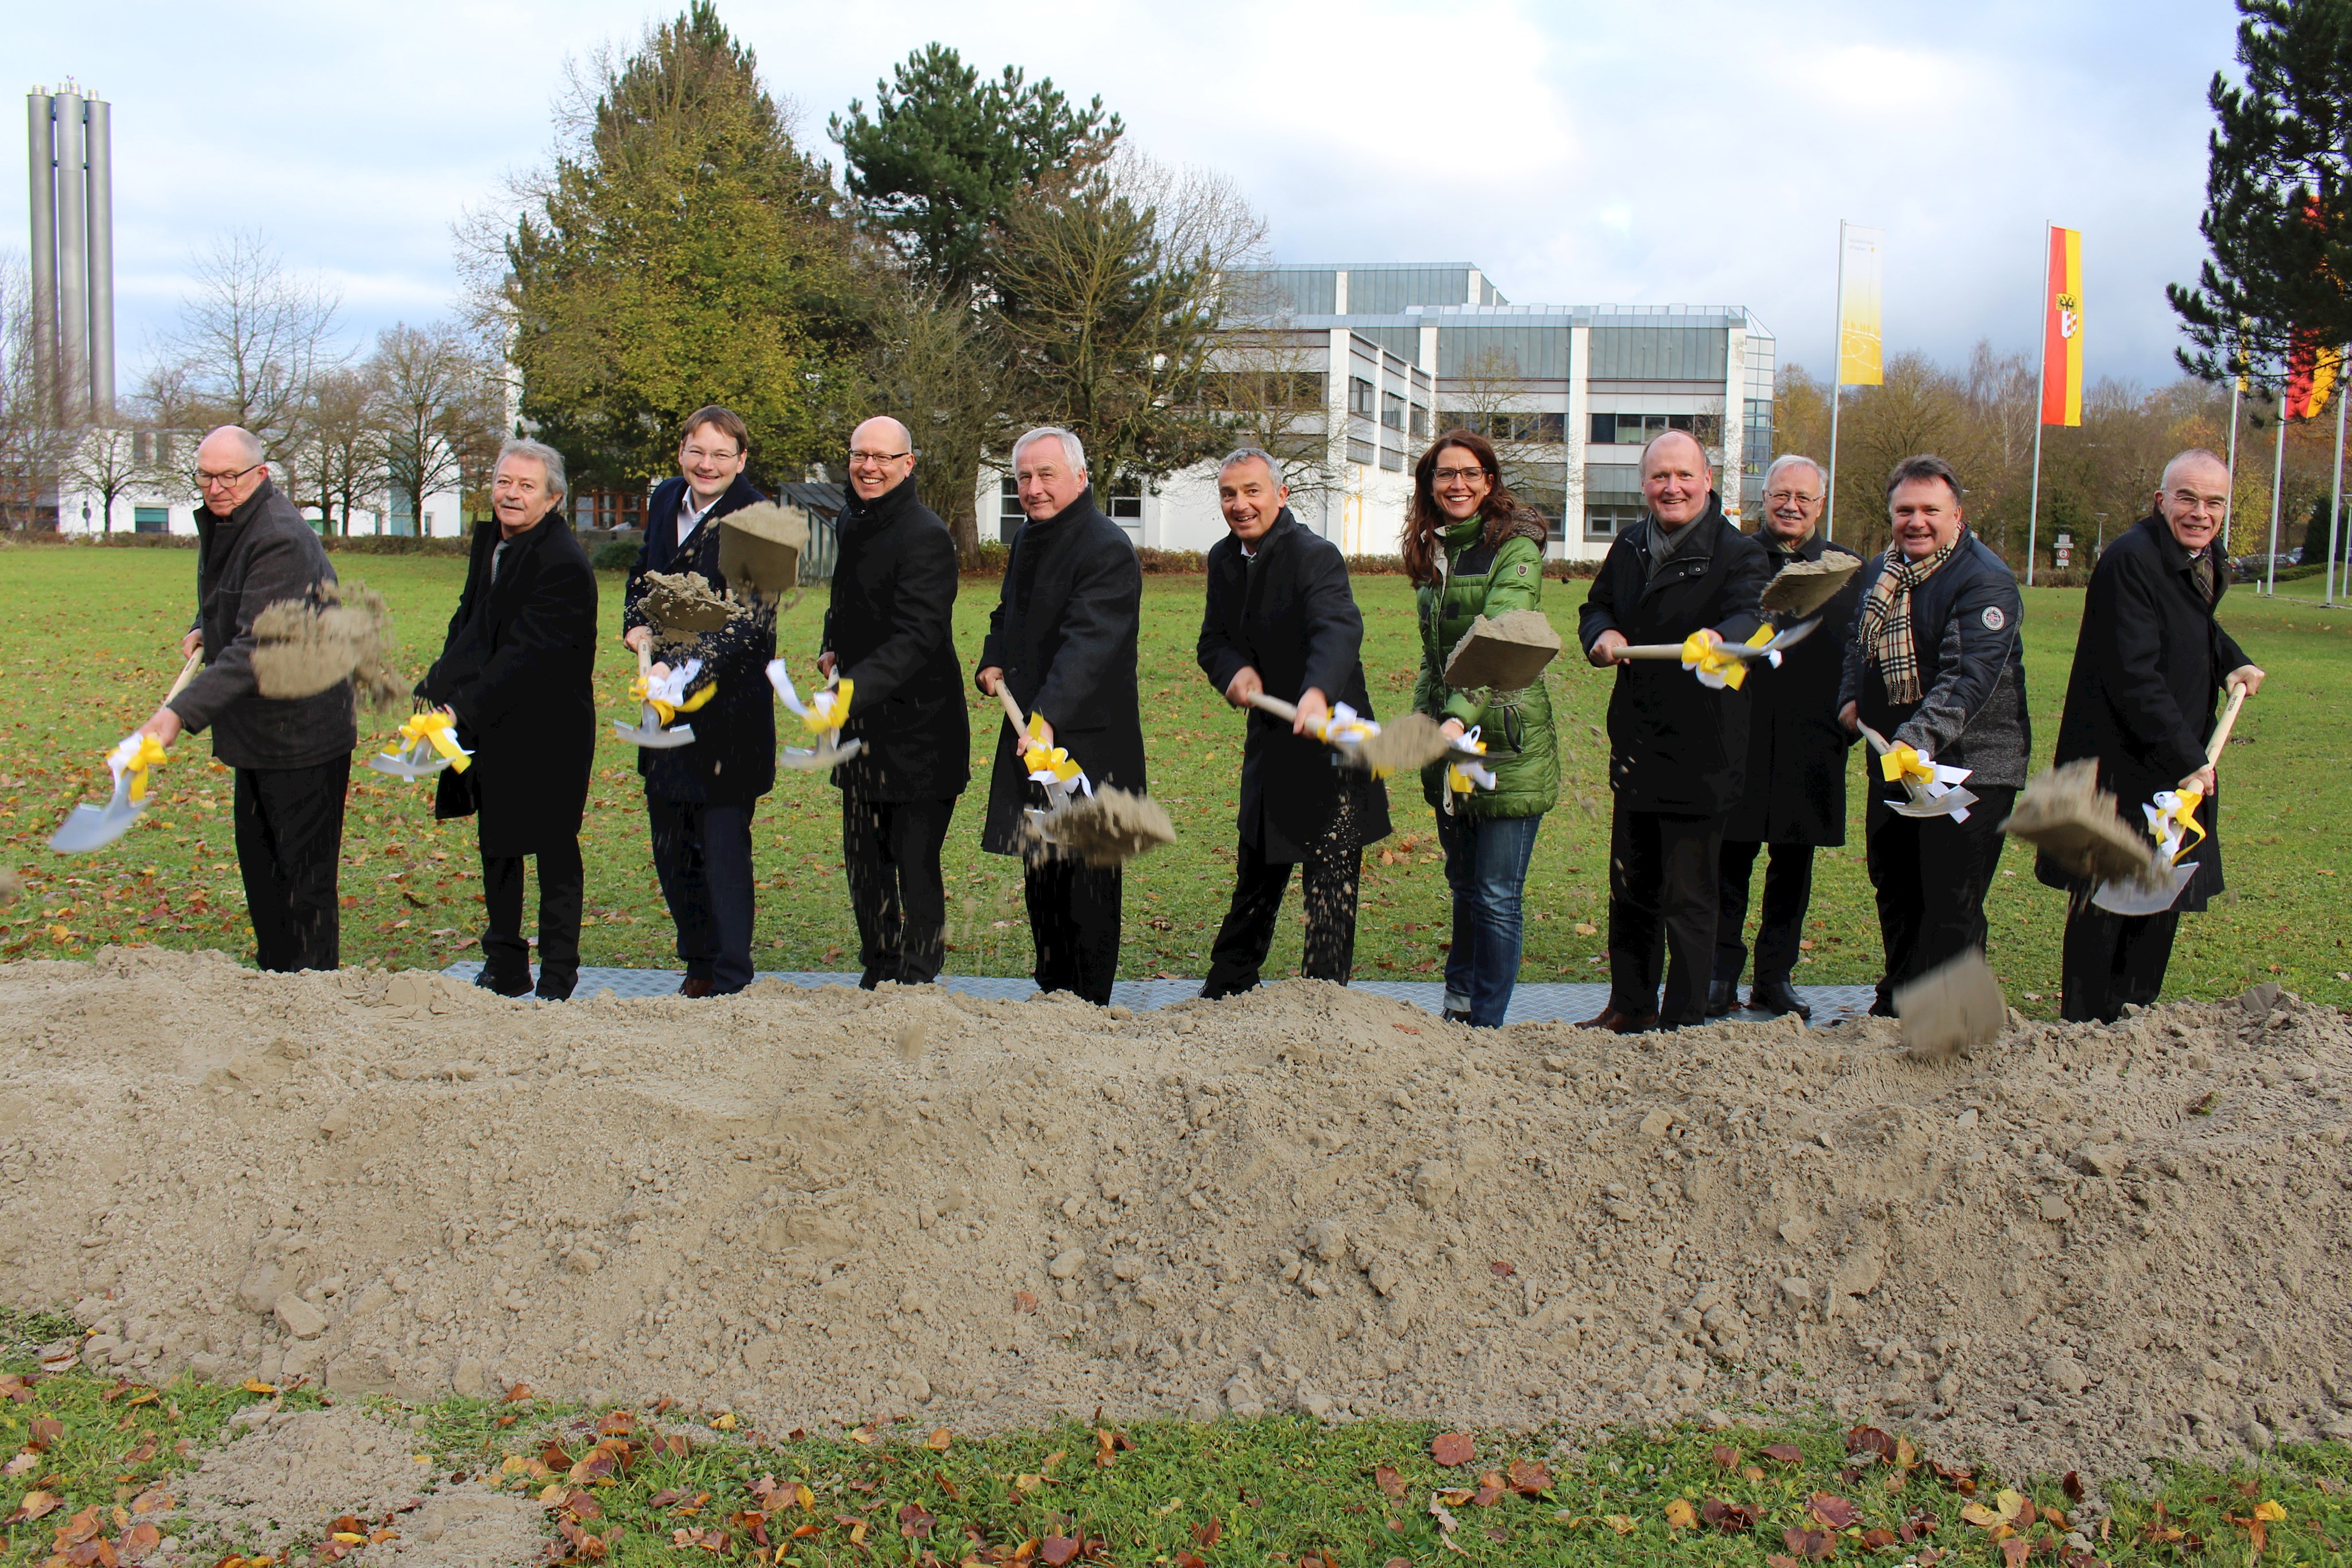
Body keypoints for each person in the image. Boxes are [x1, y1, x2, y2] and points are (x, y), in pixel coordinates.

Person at [2038, 448, 2265, 1021]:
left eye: (2214, 501)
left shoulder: (2202, 558)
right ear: (2161, 500)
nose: (2200, 512)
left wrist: (2230, 661)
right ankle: (2086, 1028)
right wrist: (2188, 758)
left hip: (2174, 764)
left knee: (2160, 895)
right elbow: (2132, 673)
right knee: (2109, 899)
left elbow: (2194, 627)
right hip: (2123, 764)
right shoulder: (2130, 561)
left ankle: (2135, 1023)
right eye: (2187, 498)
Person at [138, 425, 355, 973]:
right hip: (259, 732)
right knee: (263, 874)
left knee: (303, 885)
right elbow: (234, 592)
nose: (215, 487)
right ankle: (275, 984)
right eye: (206, 476)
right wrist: (202, 626)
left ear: (260, 474)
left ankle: (314, 996)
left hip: (303, 731)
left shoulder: (280, 535)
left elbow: (258, 645)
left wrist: (177, 713)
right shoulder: (230, 521)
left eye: (228, 476)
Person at [1577, 429, 1769, 1032]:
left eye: (1684, 475)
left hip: (1703, 748)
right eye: (1660, 477)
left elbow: (1753, 614)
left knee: (1688, 898)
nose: (1672, 487)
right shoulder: (1631, 544)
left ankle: (1682, 1023)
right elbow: (1596, 606)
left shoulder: (1738, 553)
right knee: (1630, 887)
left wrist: (1723, 638)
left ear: (1707, 481)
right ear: (1644, 484)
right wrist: (1601, 636)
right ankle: (1629, 1006)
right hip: (1636, 742)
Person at [1196, 448, 1391, 997]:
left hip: (1336, 745)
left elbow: (1339, 629)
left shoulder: (1315, 555)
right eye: (1229, 494)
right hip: (1273, 744)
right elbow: (1213, 641)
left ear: (1281, 494)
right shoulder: (1223, 559)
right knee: (1256, 878)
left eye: (1252, 491)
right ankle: (1225, 993)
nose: (1240, 504)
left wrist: (1316, 692)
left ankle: (1324, 1006)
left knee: (1330, 892)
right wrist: (1233, 672)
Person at [1838, 454, 2028, 1015]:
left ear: (1957, 515)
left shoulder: (1985, 581)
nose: (1916, 521)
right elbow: (1857, 644)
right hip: (1898, 762)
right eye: (1904, 510)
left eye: (1929, 510)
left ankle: (1951, 1020)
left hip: (1968, 765)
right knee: (1896, 886)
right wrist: (1848, 699)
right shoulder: (1880, 572)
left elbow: (1966, 678)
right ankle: (1900, 998)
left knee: (1951, 898)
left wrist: (1916, 738)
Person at [415, 439, 598, 1001]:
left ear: (553, 498)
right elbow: (470, 619)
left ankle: (559, 977)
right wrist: (440, 687)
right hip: (489, 721)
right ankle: (505, 964)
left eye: (525, 486)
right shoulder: (493, 543)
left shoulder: (561, 562)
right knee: (496, 843)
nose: (510, 494)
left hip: (548, 728)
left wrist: (460, 707)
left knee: (552, 847)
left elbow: (527, 655)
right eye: (503, 482)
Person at [975, 427, 1144, 1006]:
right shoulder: (1028, 538)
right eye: (1023, 477)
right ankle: (1052, 995)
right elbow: (1007, 613)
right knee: (1042, 868)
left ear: (1080, 476)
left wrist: (1047, 714)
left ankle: (1089, 1003)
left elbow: (1090, 645)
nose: (1033, 488)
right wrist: (992, 659)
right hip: (1034, 734)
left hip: (1089, 741)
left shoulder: (1105, 547)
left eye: (1046, 475)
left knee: (1089, 878)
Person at [1403, 429, 1558, 1028]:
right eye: (1445, 474)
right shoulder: (1434, 552)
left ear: (1489, 481)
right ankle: (1458, 1005)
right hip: (1453, 746)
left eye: (1470, 473)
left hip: (1505, 745)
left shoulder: (1515, 551)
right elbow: (1432, 658)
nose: (1457, 484)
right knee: (1465, 884)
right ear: (1430, 485)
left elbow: (1498, 643)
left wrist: (1452, 721)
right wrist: (1423, 725)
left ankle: (1486, 1027)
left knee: (1496, 895)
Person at [621, 406, 777, 997]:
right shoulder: (666, 500)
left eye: (720, 454)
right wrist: (635, 625)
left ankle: (733, 978)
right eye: (696, 451)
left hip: (727, 718)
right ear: (681, 453)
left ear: (740, 460)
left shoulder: (760, 520)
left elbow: (750, 626)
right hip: (661, 710)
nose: (705, 464)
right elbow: (644, 574)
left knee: (720, 852)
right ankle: (700, 964)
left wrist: (680, 665)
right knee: (671, 846)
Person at [818, 416, 970, 988]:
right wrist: (832, 646)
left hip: (920, 732)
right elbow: (845, 601)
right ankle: (877, 972)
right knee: (864, 865)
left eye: (883, 457)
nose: (869, 467)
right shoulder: (849, 521)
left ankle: (917, 980)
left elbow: (917, 636)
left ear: (908, 465)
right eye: (861, 455)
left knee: (914, 868)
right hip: (859, 728)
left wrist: (849, 691)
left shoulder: (925, 534)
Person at [1712, 455, 1862, 1020]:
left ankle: (1774, 979)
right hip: (1739, 738)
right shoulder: (1736, 560)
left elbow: (1861, 650)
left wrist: (1843, 722)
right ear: (1764, 498)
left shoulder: (1847, 569)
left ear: (1820, 504)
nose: (1790, 505)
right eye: (1780, 494)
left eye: (1803, 496)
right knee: (1729, 862)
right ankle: (1719, 976)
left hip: (1811, 743)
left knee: (1792, 870)